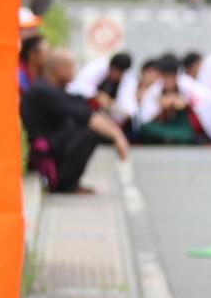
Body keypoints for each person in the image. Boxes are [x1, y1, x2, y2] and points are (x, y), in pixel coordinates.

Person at [20, 49, 129, 192]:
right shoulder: (44, 91)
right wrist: (118, 136)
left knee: (89, 126)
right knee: (91, 132)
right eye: (71, 67)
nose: (74, 72)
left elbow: (83, 109)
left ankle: (69, 181)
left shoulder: (54, 88)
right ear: (59, 69)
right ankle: (65, 183)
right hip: (46, 148)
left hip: (55, 141)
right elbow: (86, 116)